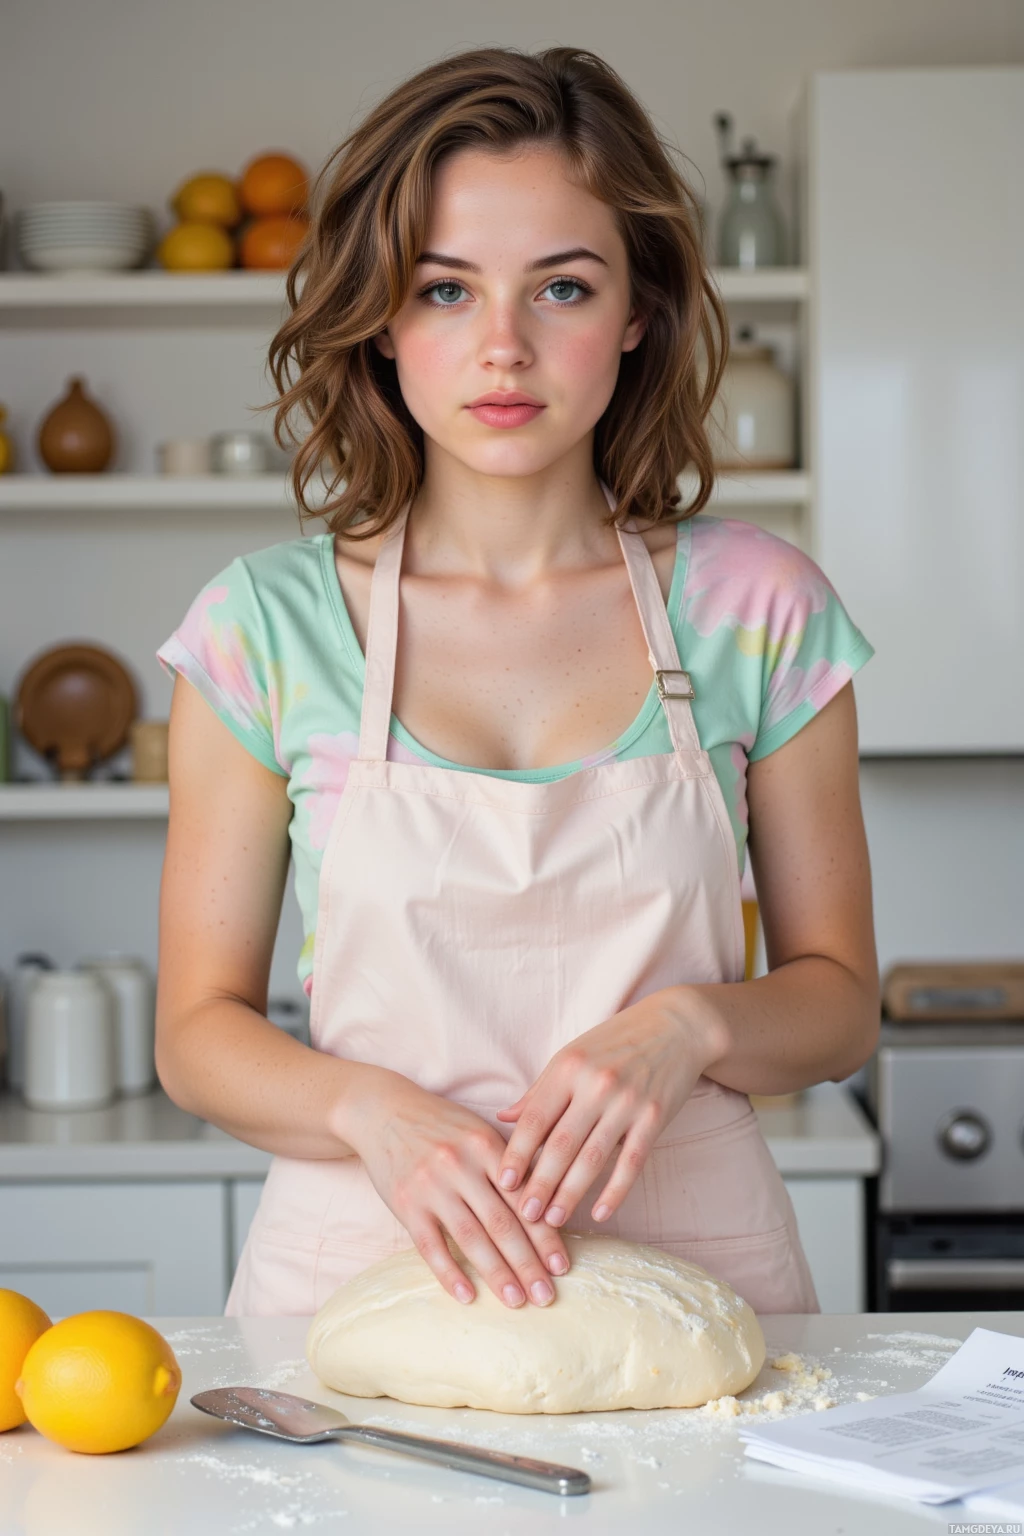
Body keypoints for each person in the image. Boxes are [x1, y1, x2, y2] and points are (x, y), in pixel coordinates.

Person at [154, 45, 880, 1320]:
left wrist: (690, 1029)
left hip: (704, 1279)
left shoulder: (758, 609)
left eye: (560, 287)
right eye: (445, 290)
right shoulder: (263, 628)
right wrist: (365, 1107)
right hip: (358, 1273)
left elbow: (837, 1006)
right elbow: (196, 1031)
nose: (502, 347)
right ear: (380, 318)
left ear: (638, 310)